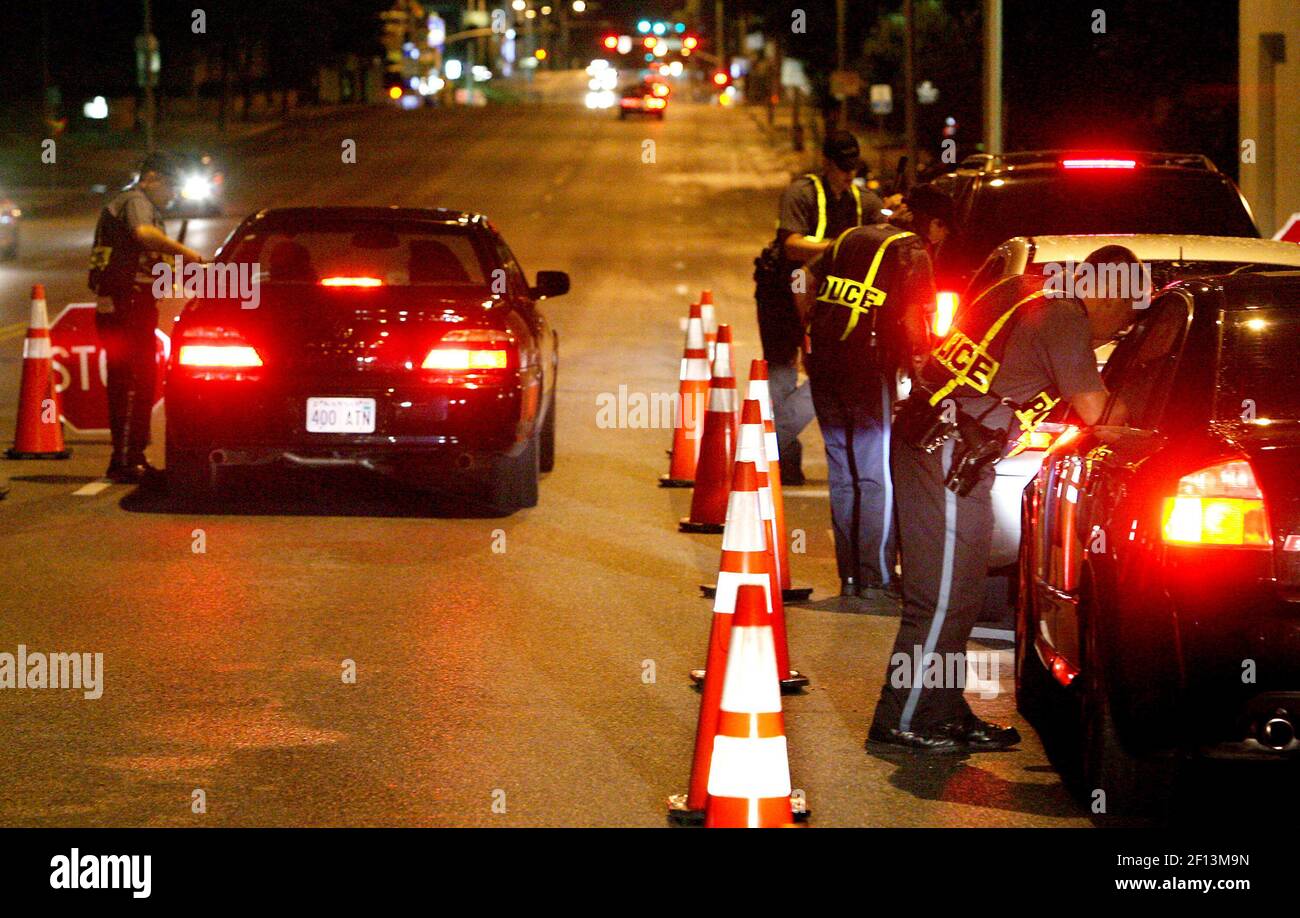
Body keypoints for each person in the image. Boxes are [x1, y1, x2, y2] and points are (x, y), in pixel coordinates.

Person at [869, 244, 1145, 753]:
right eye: (1127, 311)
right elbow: (1101, 414)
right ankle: (903, 716)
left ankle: (943, 708)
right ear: (1106, 293)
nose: (1122, 326)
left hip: (951, 452)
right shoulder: (1063, 319)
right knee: (941, 599)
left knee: (962, 596)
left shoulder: (1025, 291)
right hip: (945, 452)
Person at [796, 184, 946, 599]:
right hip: (868, 367)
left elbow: (803, 278)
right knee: (874, 472)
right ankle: (876, 577)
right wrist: (921, 367)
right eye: (942, 232)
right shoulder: (912, 251)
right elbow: (917, 317)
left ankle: (849, 576)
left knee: (843, 471)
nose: (939, 241)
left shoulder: (850, 236)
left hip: (826, 360)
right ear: (932, 224)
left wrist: (807, 332)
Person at [754, 130, 884, 486]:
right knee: (781, 376)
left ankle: (769, 446)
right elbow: (793, 245)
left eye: (852, 168)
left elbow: (880, 242)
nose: (847, 175)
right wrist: (841, 245)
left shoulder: (865, 201)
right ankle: (784, 462)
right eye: (842, 168)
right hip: (781, 294)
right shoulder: (802, 193)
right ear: (827, 163)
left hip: (830, 303)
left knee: (828, 373)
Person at [88, 152, 206, 483]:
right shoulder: (135, 201)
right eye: (169, 186)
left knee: (139, 380)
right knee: (131, 382)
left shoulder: (146, 206)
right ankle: (125, 461)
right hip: (125, 305)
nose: (171, 195)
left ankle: (132, 456)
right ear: (151, 177)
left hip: (136, 303)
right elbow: (143, 234)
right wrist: (189, 254)